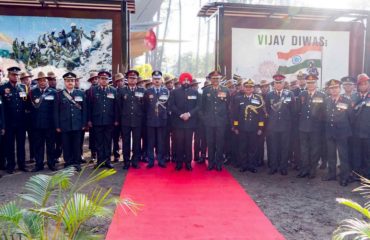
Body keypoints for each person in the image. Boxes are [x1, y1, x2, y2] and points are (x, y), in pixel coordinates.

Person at [54, 72, 87, 171]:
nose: (70, 82)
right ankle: (68, 162)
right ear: (64, 82)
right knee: (66, 145)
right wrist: (57, 125)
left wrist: (83, 123)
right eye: (68, 81)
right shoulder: (59, 95)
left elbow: (84, 110)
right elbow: (56, 112)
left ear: (75, 82)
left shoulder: (81, 93)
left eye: (72, 80)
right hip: (65, 125)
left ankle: (77, 163)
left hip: (77, 124)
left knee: (77, 145)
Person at [322, 79, 353, 186]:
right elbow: (324, 115)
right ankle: (332, 174)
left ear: (340, 88)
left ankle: (345, 177)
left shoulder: (346, 101)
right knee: (331, 154)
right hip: (330, 132)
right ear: (329, 90)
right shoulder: (326, 100)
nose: (334, 90)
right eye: (332, 88)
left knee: (343, 155)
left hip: (342, 132)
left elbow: (351, 117)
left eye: (336, 88)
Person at [265, 73, 296, 175]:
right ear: (274, 84)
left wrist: (290, 125)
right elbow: (267, 111)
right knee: (273, 147)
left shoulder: (289, 94)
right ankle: (273, 166)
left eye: (280, 83)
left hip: (285, 126)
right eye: (276, 83)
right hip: (273, 126)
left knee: (284, 147)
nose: (278, 85)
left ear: (284, 83)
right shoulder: (269, 95)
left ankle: (283, 167)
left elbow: (293, 111)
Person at [232, 79, 265, 173]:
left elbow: (261, 115)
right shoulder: (239, 99)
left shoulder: (258, 99)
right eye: (246, 87)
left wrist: (260, 127)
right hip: (242, 128)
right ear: (244, 88)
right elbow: (235, 114)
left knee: (253, 148)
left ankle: (252, 165)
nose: (248, 89)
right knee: (242, 147)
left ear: (253, 88)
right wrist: (236, 127)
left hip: (254, 128)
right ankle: (243, 165)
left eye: (250, 87)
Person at [169, 72, 201, 171]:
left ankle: (188, 162)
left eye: (188, 80)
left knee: (188, 143)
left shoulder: (195, 92)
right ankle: (179, 162)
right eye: (184, 80)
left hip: (190, 122)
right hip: (178, 122)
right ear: (181, 81)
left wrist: (189, 114)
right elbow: (171, 105)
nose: (186, 82)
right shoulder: (174, 92)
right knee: (179, 143)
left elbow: (198, 106)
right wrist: (181, 114)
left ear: (190, 81)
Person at [296, 74, 326, 179]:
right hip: (303, 127)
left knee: (314, 149)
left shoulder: (322, 95)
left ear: (316, 83)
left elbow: (324, 112)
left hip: (316, 128)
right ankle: (304, 169)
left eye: (312, 82)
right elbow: (298, 110)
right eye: (308, 83)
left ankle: (312, 170)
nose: (310, 84)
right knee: (304, 149)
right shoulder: (302, 94)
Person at [0, 67, 29, 174]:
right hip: (9, 122)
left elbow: (26, 104)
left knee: (21, 144)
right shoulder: (3, 88)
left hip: (21, 122)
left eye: (17, 75)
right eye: (13, 74)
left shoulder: (23, 87)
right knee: (9, 145)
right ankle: (11, 165)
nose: (15, 76)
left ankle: (22, 165)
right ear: (9, 75)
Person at [200, 70, 230, 171]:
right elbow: (202, 107)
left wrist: (226, 119)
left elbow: (228, 106)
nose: (215, 80)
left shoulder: (225, 90)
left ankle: (219, 163)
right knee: (210, 142)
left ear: (220, 79)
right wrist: (204, 119)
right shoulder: (206, 91)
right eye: (213, 78)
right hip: (209, 122)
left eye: (217, 78)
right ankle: (211, 163)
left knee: (220, 143)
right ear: (210, 79)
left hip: (221, 122)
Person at [87, 70, 117, 169]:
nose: (104, 80)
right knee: (99, 142)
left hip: (109, 120)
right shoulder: (93, 90)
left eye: (106, 79)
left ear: (109, 80)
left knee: (108, 141)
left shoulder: (113, 90)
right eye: (102, 78)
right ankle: (100, 161)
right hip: (97, 121)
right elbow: (89, 107)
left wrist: (116, 119)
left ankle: (107, 161)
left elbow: (116, 107)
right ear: (99, 79)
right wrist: (89, 120)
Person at [28, 71, 57, 172]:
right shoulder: (32, 92)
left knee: (50, 145)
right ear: (37, 82)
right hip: (37, 124)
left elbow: (56, 110)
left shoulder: (53, 92)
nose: (42, 82)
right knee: (38, 145)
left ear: (47, 81)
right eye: (40, 80)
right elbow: (29, 109)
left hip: (50, 125)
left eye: (44, 80)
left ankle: (51, 163)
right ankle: (39, 164)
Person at [117, 70, 145, 169]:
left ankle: (135, 161)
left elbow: (145, 107)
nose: (132, 80)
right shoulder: (121, 91)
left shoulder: (142, 91)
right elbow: (119, 107)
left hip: (138, 120)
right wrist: (119, 119)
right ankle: (126, 161)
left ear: (137, 80)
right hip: (126, 121)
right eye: (130, 78)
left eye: (134, 78)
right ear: (127, 79)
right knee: (126, 142)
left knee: (137, 142)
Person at [144, 70, 169, 168]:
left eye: (158, 79)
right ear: (152, 80)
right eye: (155, 79)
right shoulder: (148, 91)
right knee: (150, 142)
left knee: (161, 142)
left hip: (162, 120)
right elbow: (145, 106)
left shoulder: (166, 91)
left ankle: (161, 160)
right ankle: (150, 161)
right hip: (150, 120)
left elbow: (168, 105)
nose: (157, 81)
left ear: (161, 80)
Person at [351, 73, 370, 179]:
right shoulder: (354, 96)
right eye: (361, 84)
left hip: (368, 131)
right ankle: (357, 175)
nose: (363, 86)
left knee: (368, 155)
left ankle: (367, 176)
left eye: (365, 83)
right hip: (356, 131)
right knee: (356, 154)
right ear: (358, 86)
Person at [20, 71, 35, 164]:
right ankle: (22, 159)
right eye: (24, 79)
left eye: (27, 78)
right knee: (21, 139)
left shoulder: (34, 89)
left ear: (31, 79)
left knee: (32, 138)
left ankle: (33, 157)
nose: (26, 80)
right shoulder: (20, 89)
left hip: (31, 117)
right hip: (21, 117)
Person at [86, 72, 99, 162]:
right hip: (93, 119)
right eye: (92, 79)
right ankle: (93, 155)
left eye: (96, 78)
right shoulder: (88, 91)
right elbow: (87, 107)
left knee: (100, 138)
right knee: (93, 138)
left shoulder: (102, 89)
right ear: (90, 81)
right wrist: (89, 120)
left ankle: (101, 155)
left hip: (101, 119)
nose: (94, 80)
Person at [112, 72, 125, 162]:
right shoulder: (113, 91)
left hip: (125, 119)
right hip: (115, 119)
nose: (120, 82)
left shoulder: (127, 90)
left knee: (125, 137)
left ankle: (126, 153)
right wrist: (115, 119)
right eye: (118, 81)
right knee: (115, 137)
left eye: (121, 80)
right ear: (116, 82)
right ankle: (116, 155)